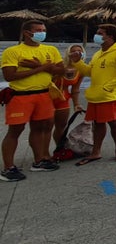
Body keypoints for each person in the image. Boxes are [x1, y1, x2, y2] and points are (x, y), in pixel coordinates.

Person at [1, 20, 65, 181]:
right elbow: (9, 75)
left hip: (44, 95)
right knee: (15, 131)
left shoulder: (50, 49)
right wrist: (42, 68)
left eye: (43, 30)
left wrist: (40, 66)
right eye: (38, 30)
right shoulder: (13, 51)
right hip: (21, 96)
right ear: (26, 33)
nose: (42, 33)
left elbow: (62, 70)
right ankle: (8, 168)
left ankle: (39, 161)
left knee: (40, 128)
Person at [71, 24, 116, 165]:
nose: (97, 36)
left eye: (100, 33)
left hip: (110, 95)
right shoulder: (98, 53)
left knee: (114, 122)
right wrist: (77, 62)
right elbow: (89, 72)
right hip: (96, 95)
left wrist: (108, 87)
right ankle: (96, 152)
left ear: (110, 37)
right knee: (97, 123)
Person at [51, 44, 85, 148]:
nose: (76, 53)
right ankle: (43, 155)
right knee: (44, 128)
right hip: (48, 98)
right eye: (73, 51)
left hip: (63, 99)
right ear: (68, 53)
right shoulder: (59, 65)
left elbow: (75, 89)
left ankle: (60, 150)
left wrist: (76, 104)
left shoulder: (81, 69)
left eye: (79, 51)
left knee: (61, 126)